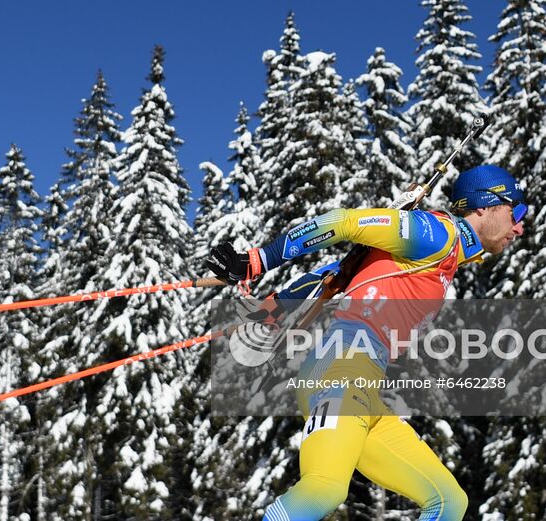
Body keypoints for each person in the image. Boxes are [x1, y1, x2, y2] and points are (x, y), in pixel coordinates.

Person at [206, 164, 528, 521]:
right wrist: (256, 261)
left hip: (364, 384)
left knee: (448, 501)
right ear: (485, 206)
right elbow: (342, 222)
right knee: (324, 487)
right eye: (516, 210)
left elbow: (338, 272)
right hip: (341, 366)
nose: (520, 225)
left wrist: (275, 305)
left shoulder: (448, 251)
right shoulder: (437, 234)